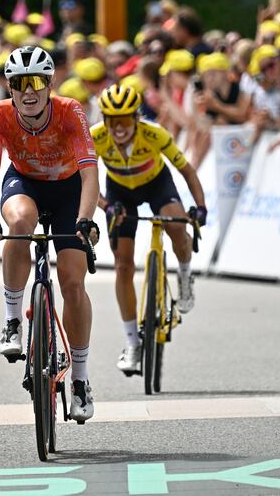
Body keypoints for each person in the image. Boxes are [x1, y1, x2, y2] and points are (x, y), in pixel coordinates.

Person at [0, 45, 100, 422]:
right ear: (9, 87)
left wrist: (85, 219)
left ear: (50, 84)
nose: (28, 92)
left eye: (36, 82)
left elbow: (89, 171)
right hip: (24, 184)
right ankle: (13, 319)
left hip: (68, 192)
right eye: (18, 84)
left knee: (72, 283)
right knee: (18, 225)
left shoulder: (70, 111)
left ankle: (79, 380)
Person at [90, 84, 206, 374]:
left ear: (136, 117)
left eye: (125, 119)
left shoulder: (154, 133)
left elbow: (187, 171)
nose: (118, 127)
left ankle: (185, 275)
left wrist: (201, 207)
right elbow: (84, 182)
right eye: (112, 120)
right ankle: (132, 343)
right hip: (119, 193)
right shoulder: (95, 138)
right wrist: (106, 207)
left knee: (178, 228)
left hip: (157, 184)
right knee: (123, 266)